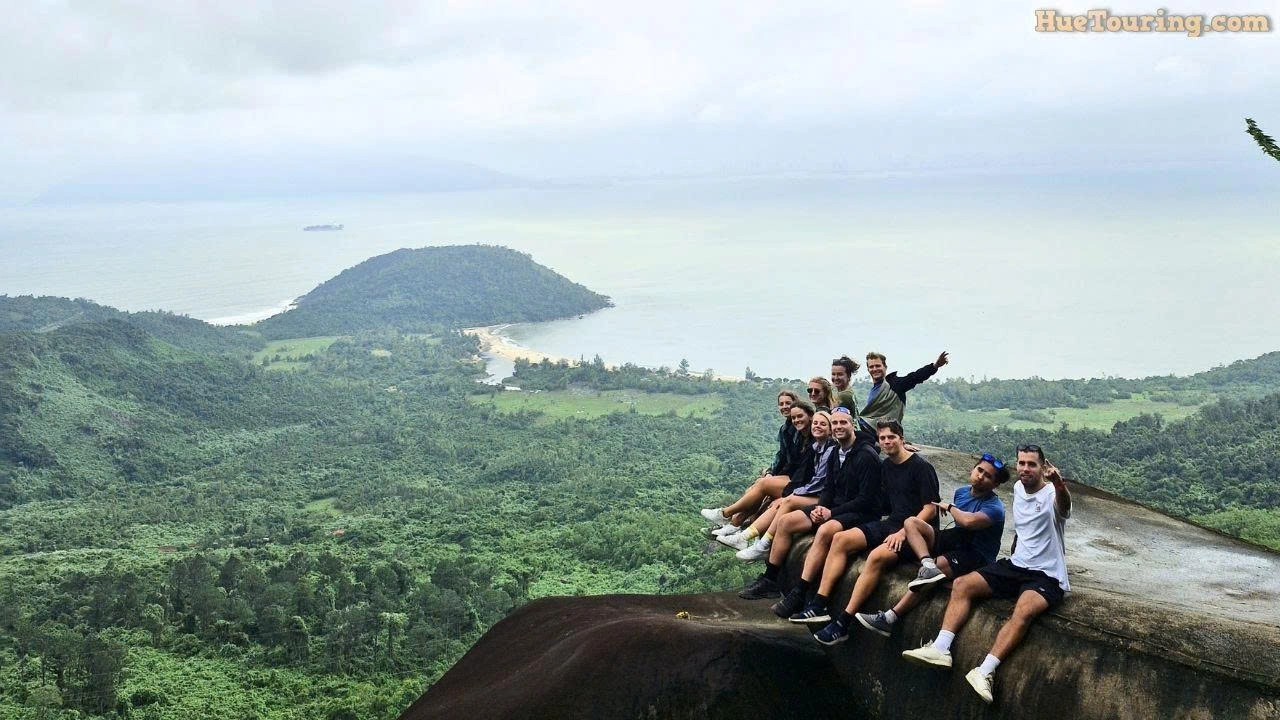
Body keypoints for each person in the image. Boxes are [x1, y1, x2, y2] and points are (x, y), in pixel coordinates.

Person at [901, 444, 1071, 705]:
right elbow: (1025, 530)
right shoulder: (1017, 489)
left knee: (1023, 611)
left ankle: (985, 671)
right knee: (963, 584)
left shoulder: (1051, 493)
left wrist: (1059, 484)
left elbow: (1064, 507)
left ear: (1042, 467)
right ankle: (941, 648)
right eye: (1022, 463)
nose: (1025, 469)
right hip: (1016, 565)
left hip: (1046, 575)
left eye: (1032, 464)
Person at [796, 421, 939, 639]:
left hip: (916, 531)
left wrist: (902, 533)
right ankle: (820, 604)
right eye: (883, 438)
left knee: (876, 556)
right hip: (892, 522)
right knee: (841, 539)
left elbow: (930, 508)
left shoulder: (921, 467)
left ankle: (843, 622)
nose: (887, 441)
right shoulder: (887, 466)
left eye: (892, 437)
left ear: (902, 438)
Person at [844, 453, 1009, 640]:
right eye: (980, 470)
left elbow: (969, 522)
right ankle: (927, 564)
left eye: (988, 476)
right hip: (956, 540)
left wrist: (949, 507)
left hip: (975, 553)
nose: (981, 476)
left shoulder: (995, 507)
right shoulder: (962, 492)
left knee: (932, 574)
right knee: (911, 523)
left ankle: (890, 618)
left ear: (995, 484)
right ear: (973, 469)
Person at [756, 408, 883, 612]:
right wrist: (821, 507)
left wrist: (831, 513)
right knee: (786, 521)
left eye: (844, 423)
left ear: (852, 426)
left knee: (825, 531)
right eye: (835, 424)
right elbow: (829, 487)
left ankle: (800, 591)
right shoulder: (835, 452)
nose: (839, 427)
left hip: (861, 512)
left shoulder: (866, 456)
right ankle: (770, 579)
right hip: (833, 507)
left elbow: (866, 500)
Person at [730, 410, 837, 565]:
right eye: (816, 423)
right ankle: (744, 537)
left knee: (787, 501)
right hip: (815, 491)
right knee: (777, 502)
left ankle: (763, 543)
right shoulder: (816, 447)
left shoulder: (829, 450)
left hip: (824, 496)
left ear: (830, 429)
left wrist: (793, 494)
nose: (817, 426)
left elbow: (819, 482)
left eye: (823, 424)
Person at [704, 401, 816, 537]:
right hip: (796, 477)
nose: (796, 420)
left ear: (810, 415)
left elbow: (805, 471)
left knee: (763, 485)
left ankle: (725, 514)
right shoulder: (800, 436)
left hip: (804, 483)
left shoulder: (814, 438)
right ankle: (734, 524)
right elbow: (787, 460)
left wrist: (786, 492)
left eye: (800, 416)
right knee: (758, 484)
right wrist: (771, 473)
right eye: (794, 418)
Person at [858, 350, 949, 435]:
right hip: (864, 428)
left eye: (878, 366)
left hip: (877, 433)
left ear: (885, 367)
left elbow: (914, 377)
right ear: (868, 369)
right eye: (871, 367)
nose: (874, 369)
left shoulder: (895, 385)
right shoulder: (873, 389)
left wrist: (935, 365)